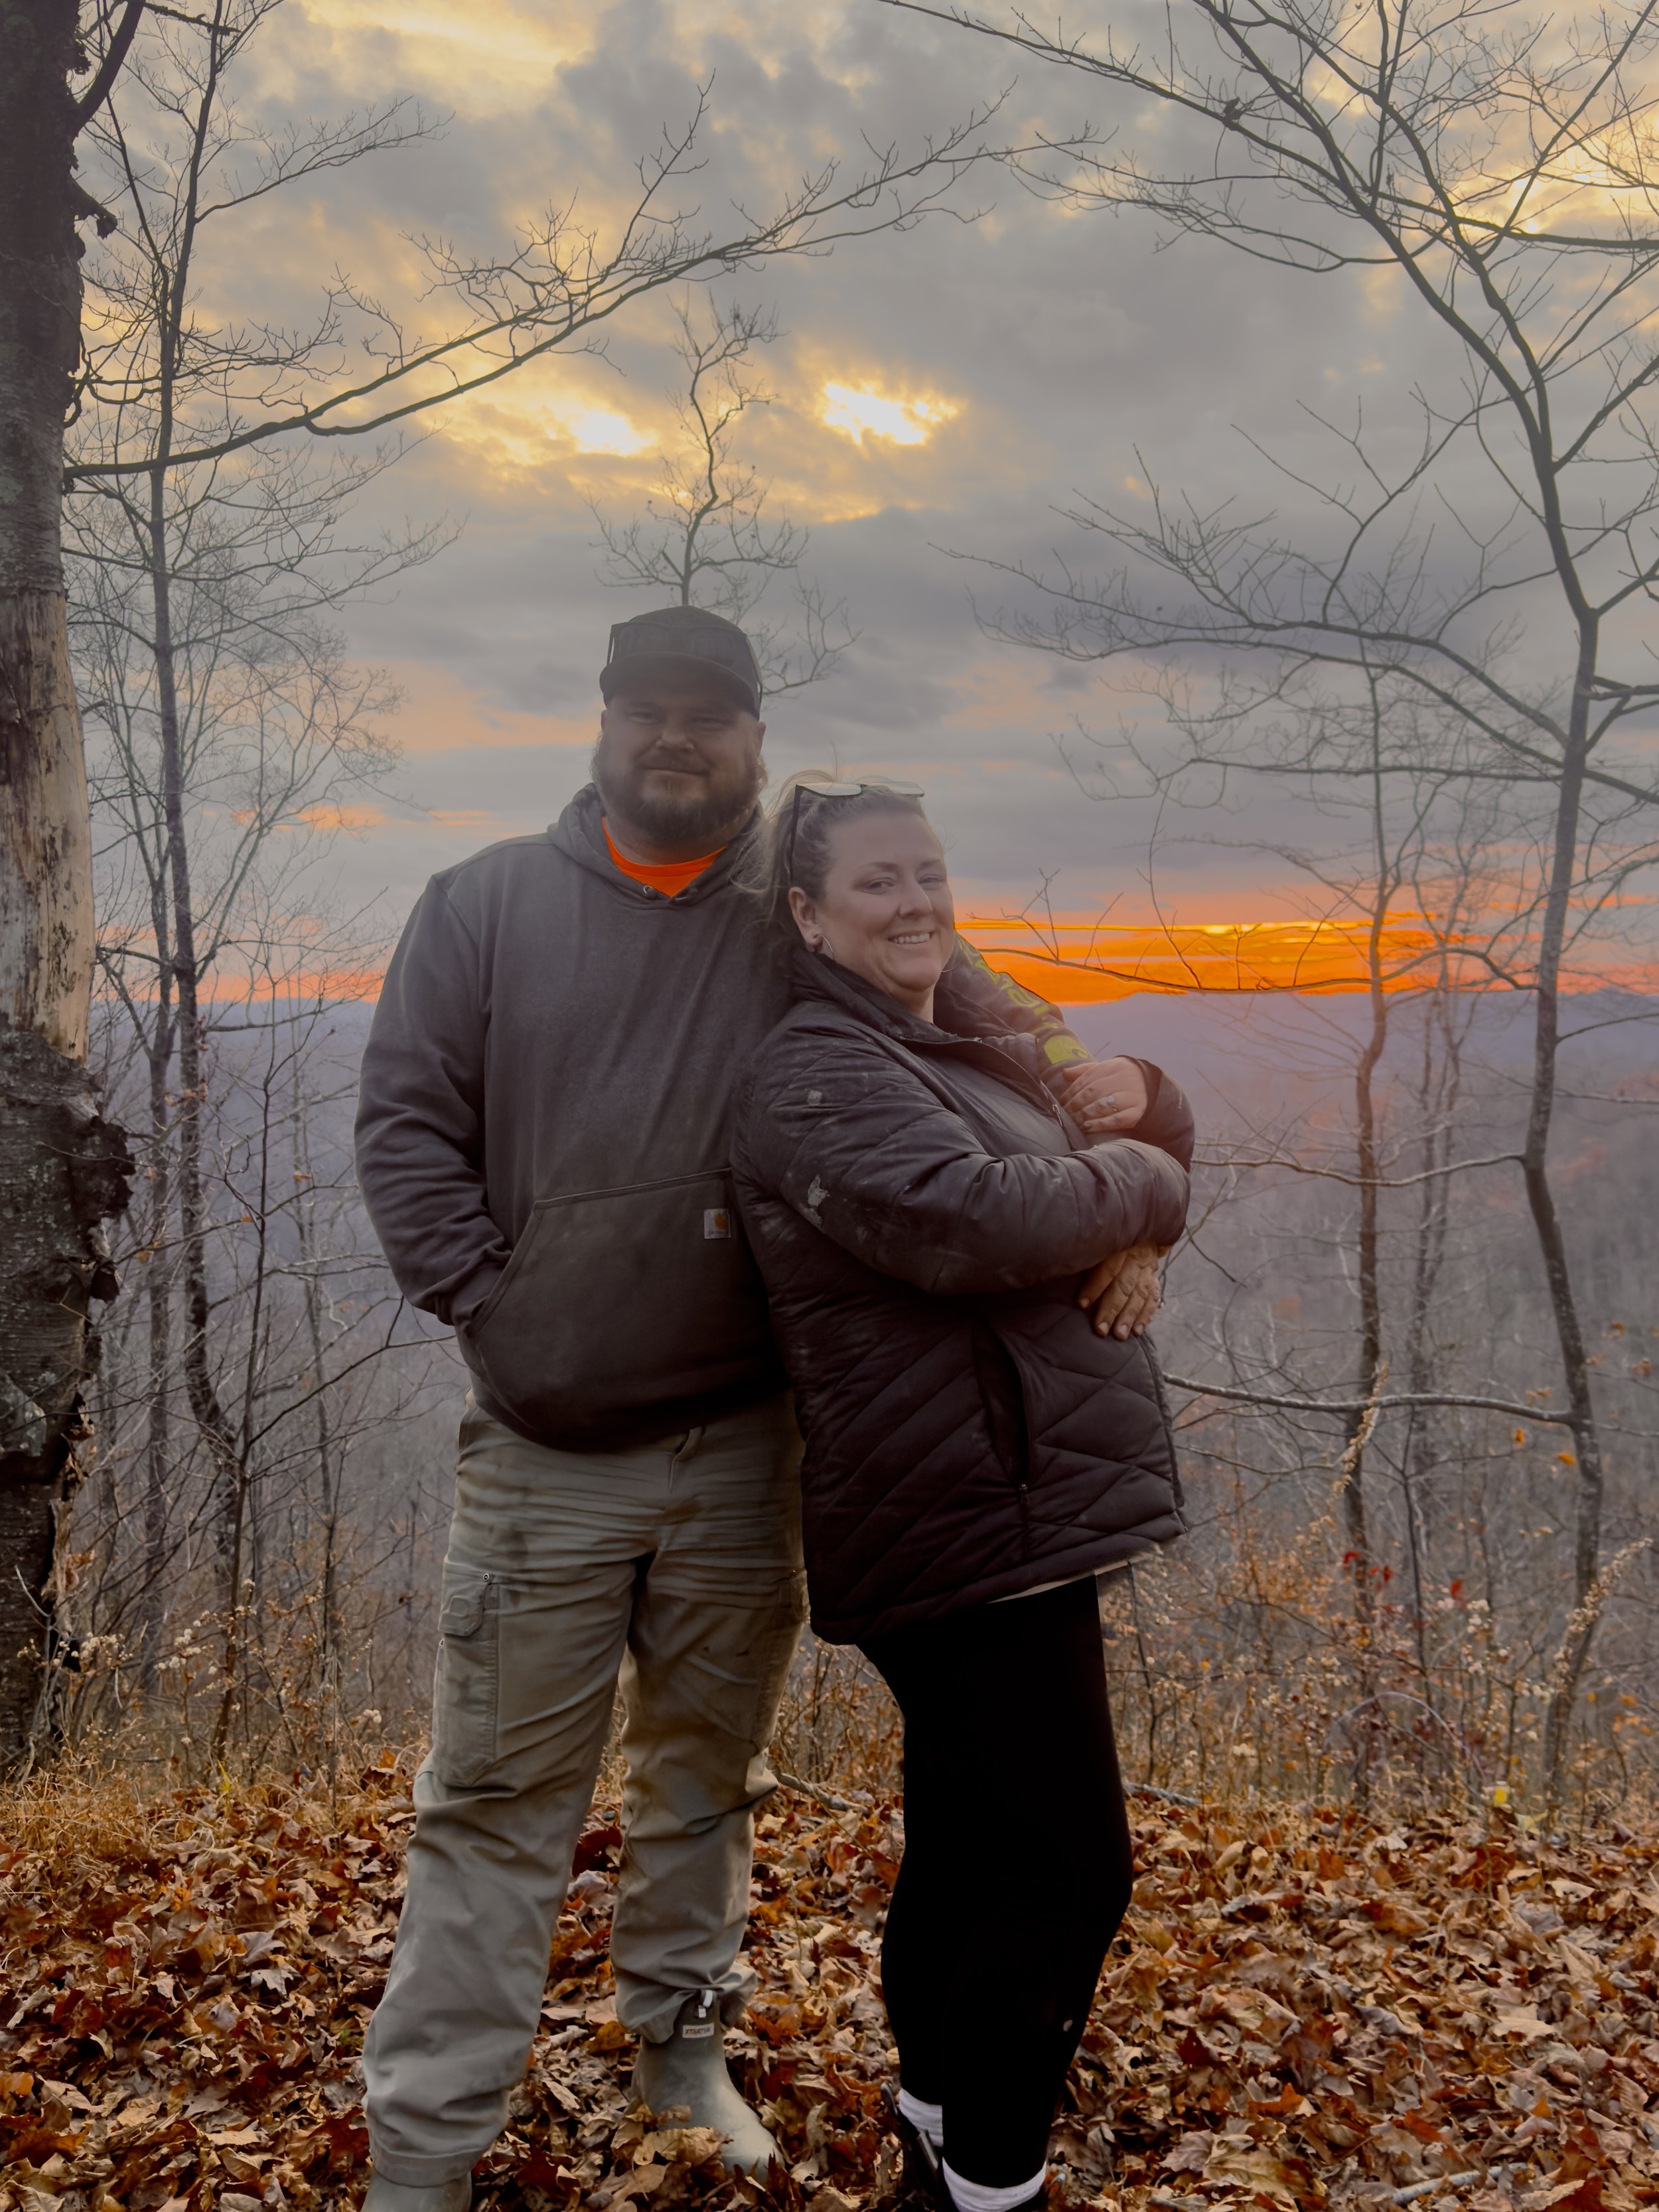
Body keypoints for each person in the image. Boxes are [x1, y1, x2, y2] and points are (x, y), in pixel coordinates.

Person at [351, 606, 1159, 2212]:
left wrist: (1124, 1135)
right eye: (647, 711)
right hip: (546, 1449)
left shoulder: (791, 912)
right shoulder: (486, 904)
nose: (676, 739)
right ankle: (425, 2147)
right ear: (599, 723)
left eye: (708, 717)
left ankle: (678, 2049)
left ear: (753, 739)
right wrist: (495, 1314)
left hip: (748, 1445)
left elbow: (1003, 1017)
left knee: (705, 1782)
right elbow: (403, 1129)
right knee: (496, 1805)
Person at [731, 776, 1194, 2212]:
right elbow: (971, 1222)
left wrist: (1157, 1126)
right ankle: (986, 2186)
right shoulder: (813, 1066)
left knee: (971, 1839)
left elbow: (1082, 1139)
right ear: (806, 913)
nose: (916, 899)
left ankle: (935, 2118)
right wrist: (1147, 1181)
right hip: (961, 1518)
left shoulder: (949, 1039)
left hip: (1009, 1503)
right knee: (1068, 1868)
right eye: (877, 880)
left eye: (928, 871)